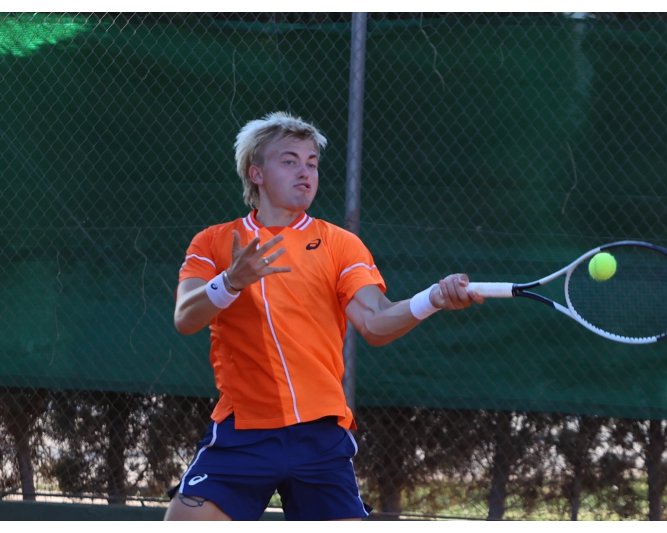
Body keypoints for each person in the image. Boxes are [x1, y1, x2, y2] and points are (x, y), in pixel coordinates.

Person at [164, 111, 483, 521]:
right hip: (243, 432)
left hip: (319, 436)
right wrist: (230, 281)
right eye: (289, 161)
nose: (305, 172)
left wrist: (433, 298)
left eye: (312, 163)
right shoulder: (213, 242)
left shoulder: (340, 244)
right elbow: (186, 317)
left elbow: (375, 322)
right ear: (256, 173)